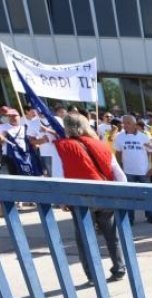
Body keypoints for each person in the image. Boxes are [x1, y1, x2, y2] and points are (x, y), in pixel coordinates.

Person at [54, 113, 127, 283]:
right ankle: (119, 268)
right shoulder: (100, 145)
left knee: (84, 239)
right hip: (105, 196)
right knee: (111, 235)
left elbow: (58, 177)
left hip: (80, 200)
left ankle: (93, 276)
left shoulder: (63, 147)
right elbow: (120, 175)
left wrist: (62, 200)